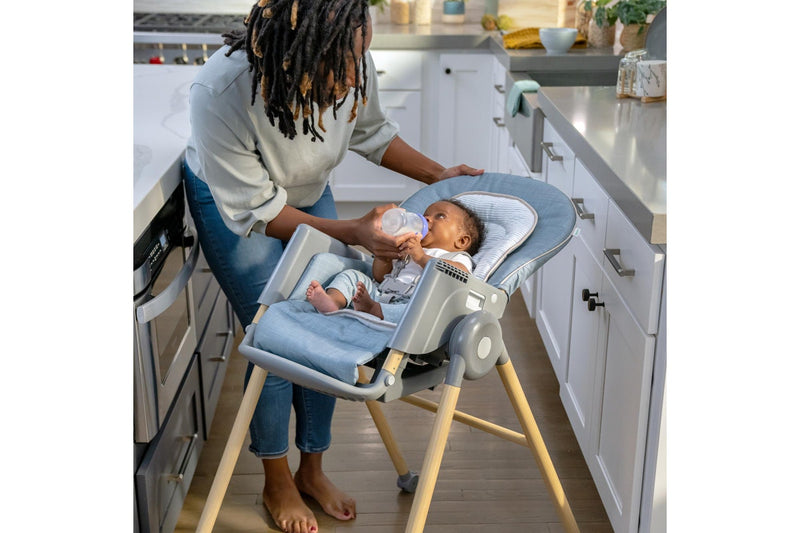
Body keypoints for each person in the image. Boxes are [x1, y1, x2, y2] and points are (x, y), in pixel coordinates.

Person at [181, 1, 483, 532]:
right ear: (298, 50)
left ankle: (312, 469)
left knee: (324, 321)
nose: (351, 79)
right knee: (273, 331)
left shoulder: (351, 53)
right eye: (339, 67)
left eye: (358, 58)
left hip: (307, 190)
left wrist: (442, 177)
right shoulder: (221, 92)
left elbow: (372, 133)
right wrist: (353, 231)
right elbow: (259, 209)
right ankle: (276, 479)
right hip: (236, 203)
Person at [306, 199, 485, 320]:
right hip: (381, 294)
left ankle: (374, 310)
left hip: (410, 304)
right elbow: (379, 276)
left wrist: (421, 257)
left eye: (440, 216)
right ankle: (333, 302)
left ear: (461, 241)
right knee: (353, 276)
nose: (427, 218)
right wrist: (384, 258)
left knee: (421, 312)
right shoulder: (409, 247)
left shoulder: (457, 257)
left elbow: (457, 277)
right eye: (426, 214)